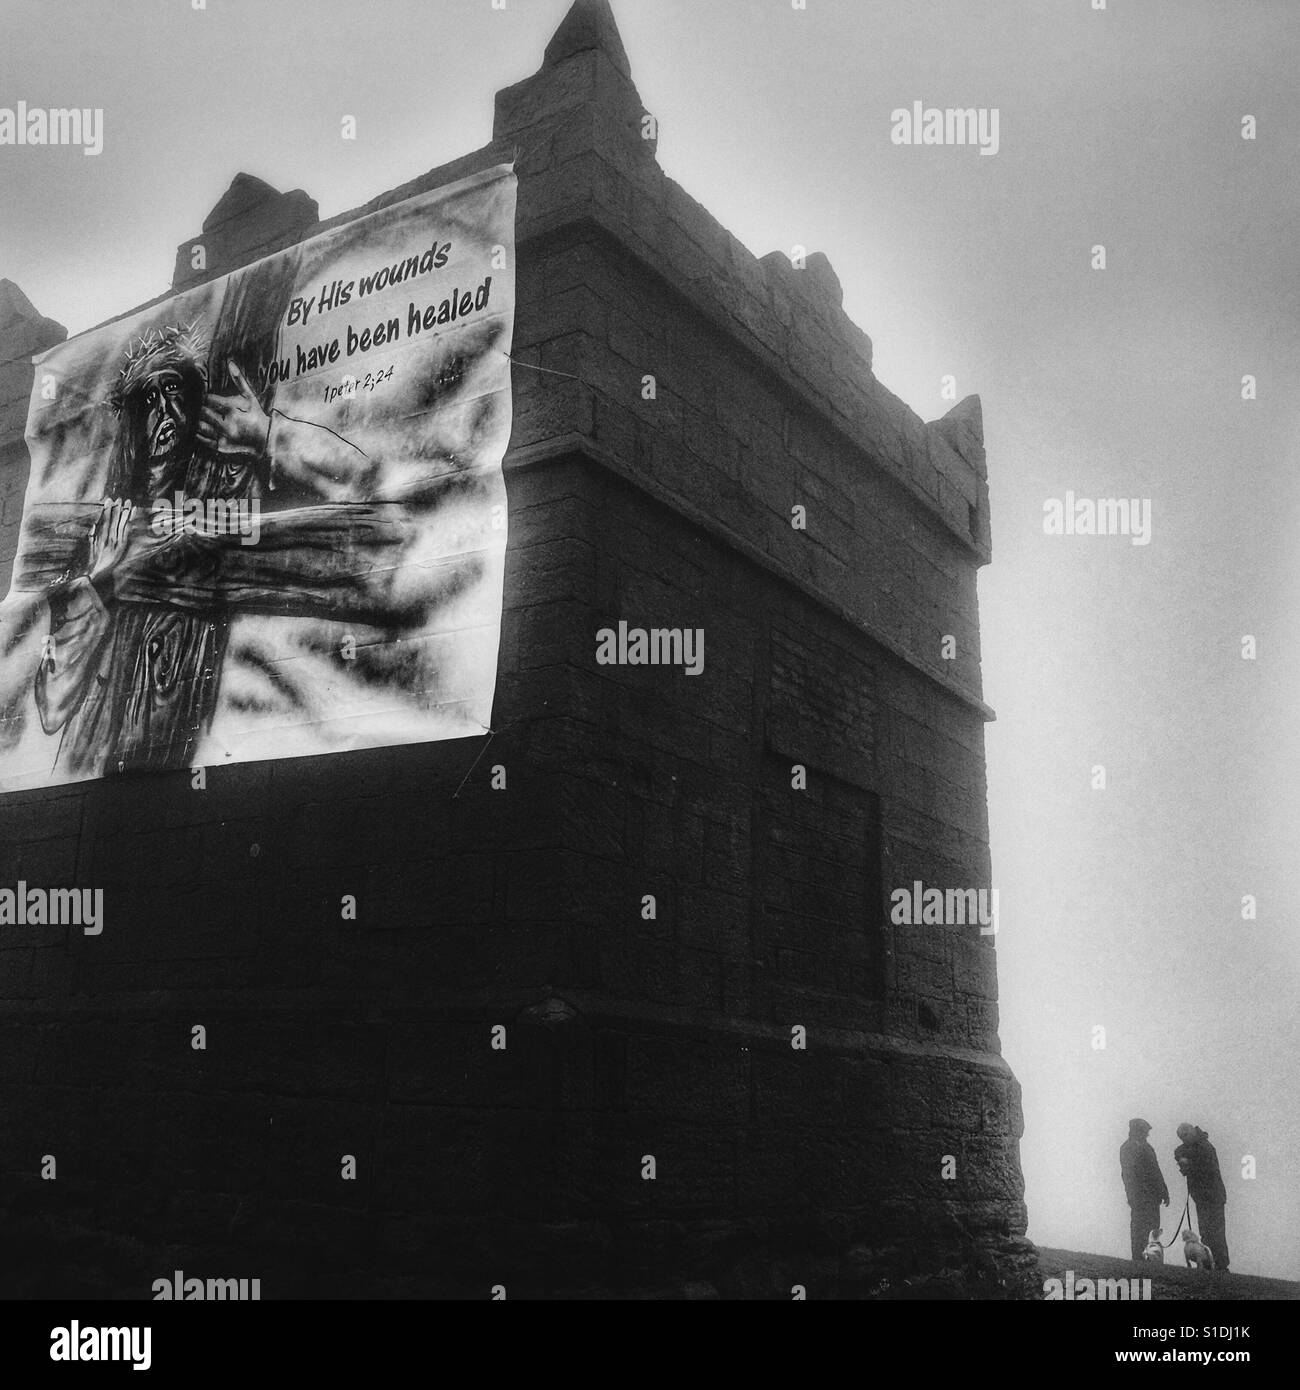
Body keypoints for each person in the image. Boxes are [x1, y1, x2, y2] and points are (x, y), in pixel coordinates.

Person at [1175, 1122, 1229, 1271]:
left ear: (1192, 1131)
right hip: (1202, 1196)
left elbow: (1206, 1169)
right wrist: (1182, 1159)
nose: (1183, 1140)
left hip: (1213, 1195)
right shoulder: (1191, 1145)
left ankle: (1221, 1265)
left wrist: (1187, 1165)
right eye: (1181, 1137)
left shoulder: (1205, 1147)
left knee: (1216, 1232)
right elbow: (1178, 1151)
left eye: (1185, 1136)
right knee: (1205, 1231)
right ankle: (1209, 1265)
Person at [1119, 1118, 1169, 1260]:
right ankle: (1139, 1259)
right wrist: (1132, 1196)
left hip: (1153, 1197)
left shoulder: (1148, 1147)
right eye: (1145, 1131)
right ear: (1137, 1131)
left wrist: (1164, 1191)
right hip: (1139, 1196)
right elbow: (1128, 1175)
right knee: (1139, 1229)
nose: (1147, 1134)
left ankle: (1153, 1260)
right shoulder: (1127, 1148)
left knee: (1153, 1230)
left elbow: (1156, 1171)